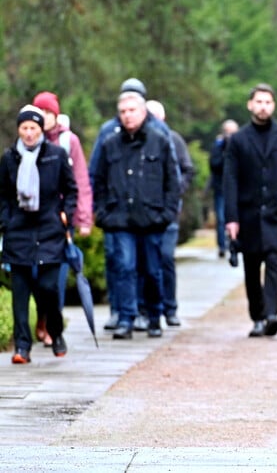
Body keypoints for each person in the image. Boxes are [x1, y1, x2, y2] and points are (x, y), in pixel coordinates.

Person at [89, 77, 179, 331]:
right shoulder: (109, 140)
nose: (127, 116)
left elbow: (173, 178)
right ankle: (126, 317)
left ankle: (153, 316)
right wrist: (102, 212)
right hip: (120, 218)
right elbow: (97, 177)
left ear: (143, 111)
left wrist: (168, 213)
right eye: (123, 111)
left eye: (132, 111)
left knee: (152, 270)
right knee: (124, 267)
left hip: (151, 217)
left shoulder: (159, 138)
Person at [1, 106, 77, 364]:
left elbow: (71, 188)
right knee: (20, 292)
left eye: (34, 128)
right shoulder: (9, 158)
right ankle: (22, 347)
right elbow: (3, 194)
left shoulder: (56, 155)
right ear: (19, 130)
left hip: (49, 230)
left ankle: (55, 332)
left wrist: (65, 214)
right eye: (24, 128)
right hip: (19, 231)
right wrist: (6, 220)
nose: (29, 133)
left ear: (41, 129)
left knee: (48, 288)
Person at [224, 84, 277, 338]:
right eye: (259, 101)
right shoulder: (238, 140)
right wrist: (231, 218)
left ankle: (271, 314)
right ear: (250, 105)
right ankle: (257, 315)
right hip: (247, 213)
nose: (263, 106)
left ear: (274, 105)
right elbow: (230, 179)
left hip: (275, 212)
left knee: (273, 261)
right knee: (251, 265)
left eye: (267, 102)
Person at [31, 91, 92, 347]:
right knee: (33, 275)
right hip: (32, 219)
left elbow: (80, 180)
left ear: (55, 114)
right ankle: (42, 318)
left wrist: (84, 217)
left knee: (56, 276)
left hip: (61, 219)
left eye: (48, 112)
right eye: (40, 112)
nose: (44, 117)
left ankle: (51, 325)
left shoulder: (69, 141)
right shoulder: (28, 138)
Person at [145, 100, 195, 327]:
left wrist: (175, 192)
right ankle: (145, 309)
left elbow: (187, 169)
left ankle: (170, 307)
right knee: (145, 263)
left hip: (169, 213)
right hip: (145, 213)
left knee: (165, 258)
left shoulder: (174, 140)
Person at [209, 119, 239, 259]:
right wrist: (224, 152)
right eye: (228, 132)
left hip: (237, 188)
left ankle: (235, 242)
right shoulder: (218, 146)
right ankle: (222, 245)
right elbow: (214, 164)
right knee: (221, 218)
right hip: (221, 187)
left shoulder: (241, 145)